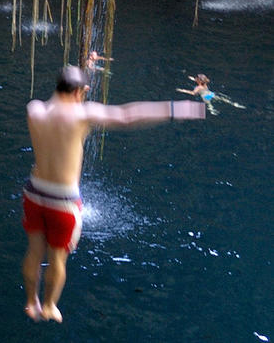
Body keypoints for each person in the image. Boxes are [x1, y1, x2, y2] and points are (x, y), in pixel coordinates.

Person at [22, 66, 205, 323]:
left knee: (33, 252)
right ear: (81, 91)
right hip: (62, 201)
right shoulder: (81, 113)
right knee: (57, 259)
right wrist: (174, 109)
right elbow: (127, 115)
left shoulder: (35, 109)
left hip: (34, 192)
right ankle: (50, 305)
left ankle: (31, 302)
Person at [176, 73, 244, 115]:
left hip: (205, 97)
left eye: (196, 78)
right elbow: (200, 81)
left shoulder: (198, 87)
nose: (195, 78)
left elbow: (193, 93)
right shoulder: (205, 83)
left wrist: (183, 90)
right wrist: (193, 79)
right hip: (211, 94)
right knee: (222, 99)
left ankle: (212, 111)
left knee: (209, 105)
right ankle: (234, 104)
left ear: (199, 81)